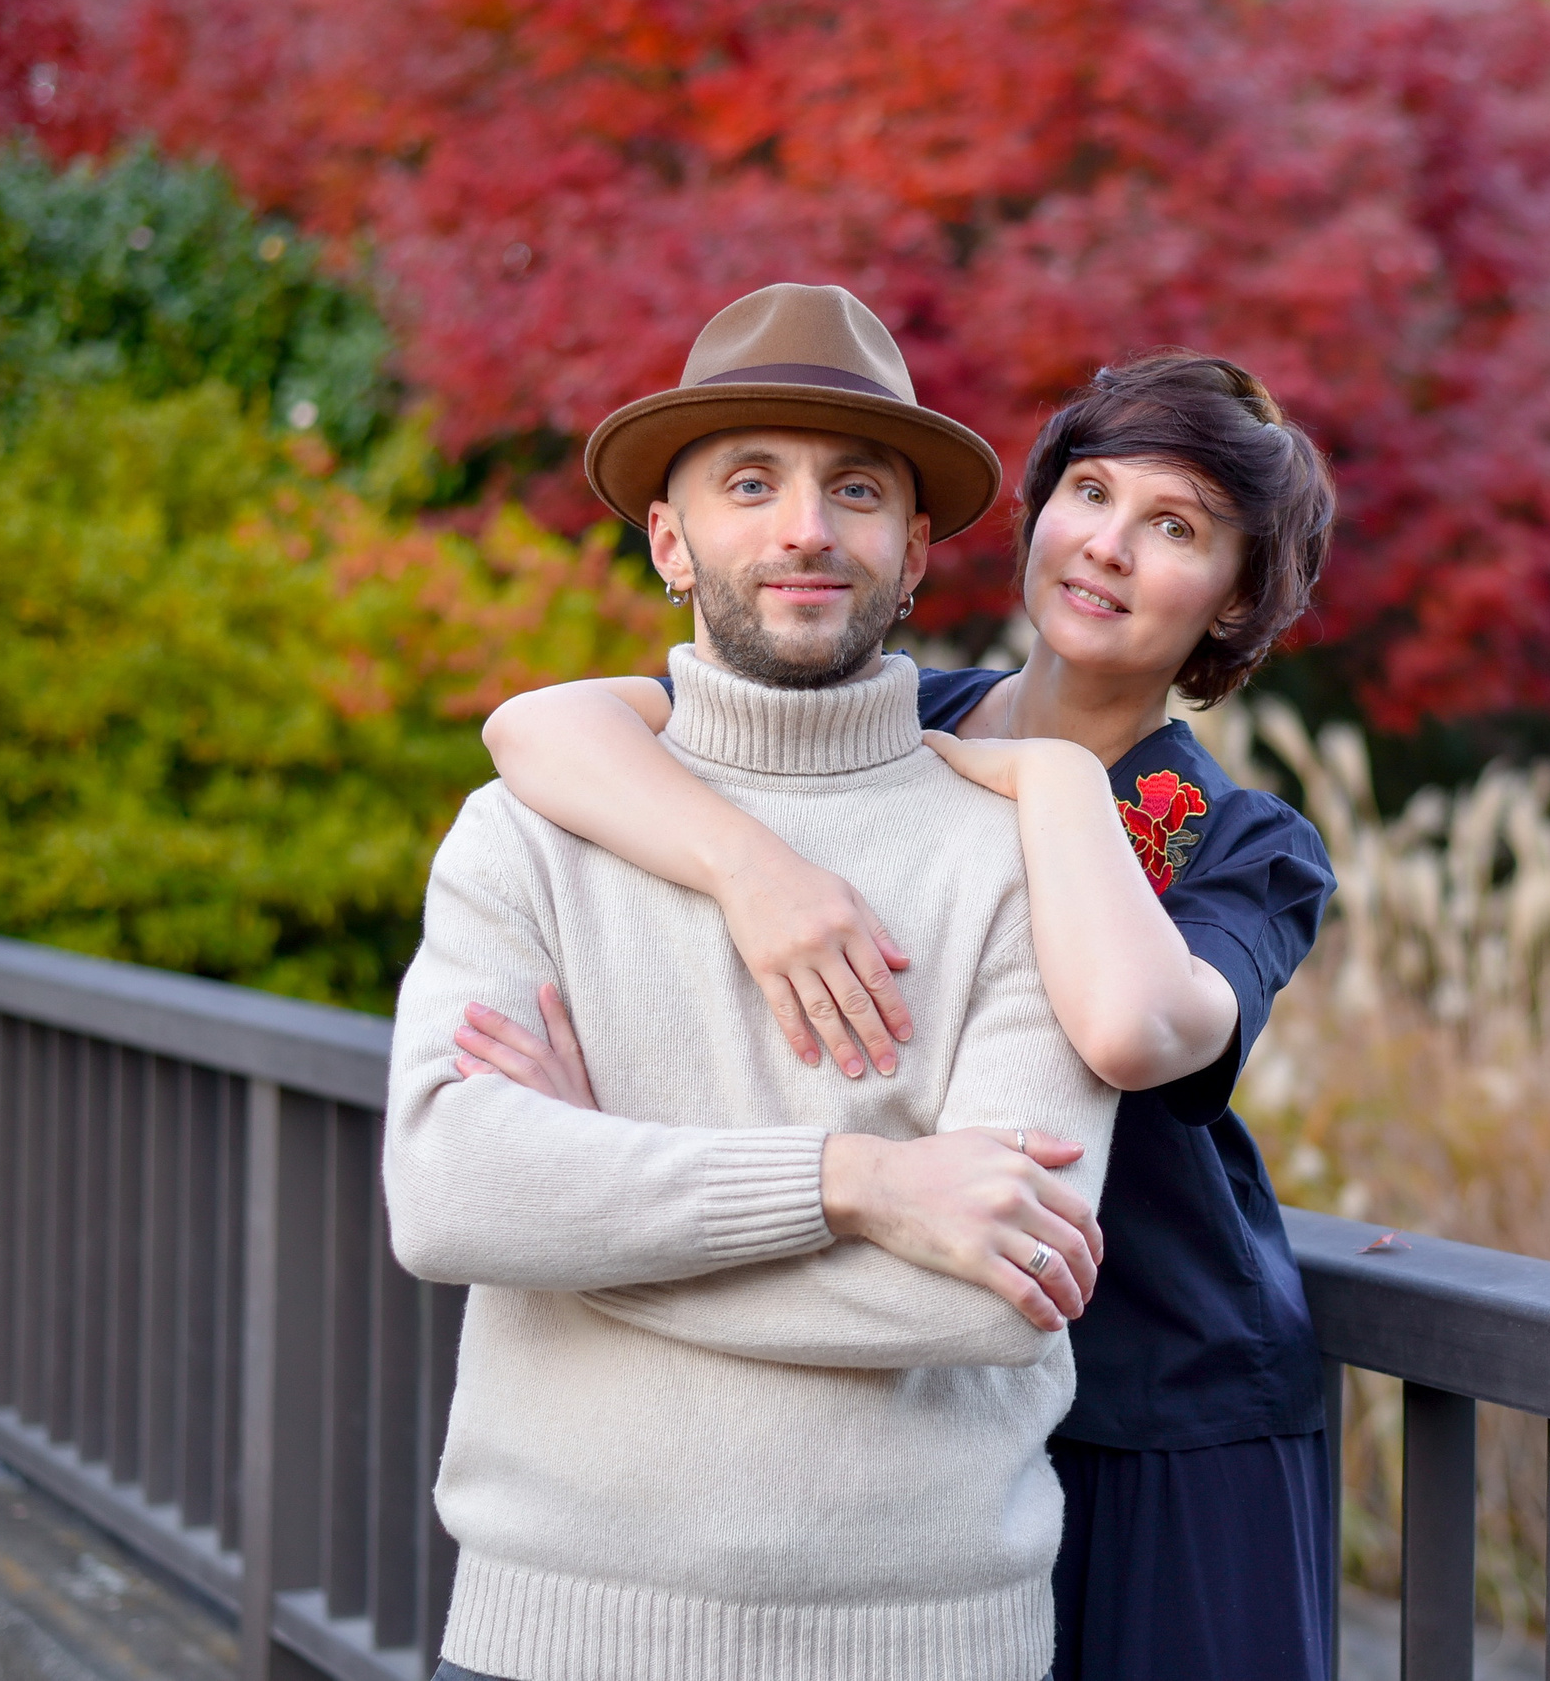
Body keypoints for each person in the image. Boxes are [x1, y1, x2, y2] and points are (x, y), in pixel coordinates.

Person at [468, 348, 1341, 1680]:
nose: (1108, 546)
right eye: (1091, 492)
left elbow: (1124, 1028)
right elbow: (540, 731)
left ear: (1232, 599)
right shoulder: (892, 714)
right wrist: (750, 869)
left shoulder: (1241, 841)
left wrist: (1046, 775)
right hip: (932, 1413)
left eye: (1177, 528)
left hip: (1167, 1405)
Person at [384, 281, 1122, 1681]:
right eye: (749, 482)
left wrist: (582, 1217)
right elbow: (449, 1192)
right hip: (550, 1636)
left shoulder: (1026, 860)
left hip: (929, 1644)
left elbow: (988, 1292)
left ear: (913, 550)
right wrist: (859, 1183)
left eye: (855, 489)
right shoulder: (529, 830)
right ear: (670, 538)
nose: (803, 527)